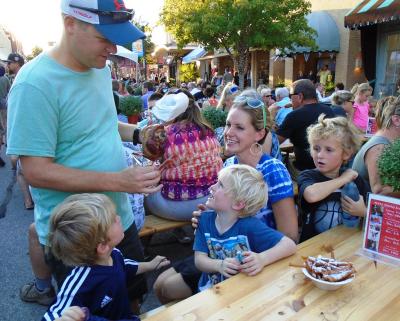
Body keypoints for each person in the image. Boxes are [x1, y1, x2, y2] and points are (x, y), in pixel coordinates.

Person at [7, 0, 160, 311]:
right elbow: (35, 171)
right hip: (78, 237)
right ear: (70, 24)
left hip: (118, 219)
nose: (112, 48)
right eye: (105, 38)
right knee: (92, 313)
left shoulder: (99, 69)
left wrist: (138, 134)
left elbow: (102, 124)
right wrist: (118, 181)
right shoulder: (34, 84)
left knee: (131, 302)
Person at [153, 91, 298, 303]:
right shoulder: (229, 165)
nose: (228, 132)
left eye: (239, 127)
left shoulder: (271, 170)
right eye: (229, 124)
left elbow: (290, 235)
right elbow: (226, 212)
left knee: (167, 288)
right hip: (219, 251)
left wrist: (259, 260)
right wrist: (207, 217)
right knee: (159, 283)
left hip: (250, 260)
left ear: (259, 134)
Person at [42, 193, 170, 321]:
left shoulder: (113, 254)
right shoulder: (80, 281)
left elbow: (124, 266)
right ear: (102, 246)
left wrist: (150, 265)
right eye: (114, 219)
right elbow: (52, 315)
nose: (119, 218)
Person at [194, 165, 296, 291]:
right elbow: (199, 259)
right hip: (210, 290)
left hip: (244, 292)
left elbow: (289, 245)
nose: (212, 187)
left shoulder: (250, 226)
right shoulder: (204, 220)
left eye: (220, 185)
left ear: (237, 204)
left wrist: (261, 259)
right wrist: (218, 265)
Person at [143, 91, 223, 221]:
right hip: (210, 200)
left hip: (176, 205)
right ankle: (181, 234)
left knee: (144, 195)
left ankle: (143, 237)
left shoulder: (165, 135)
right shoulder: (208, 131)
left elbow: (152, 165)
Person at [297, 115, 370, 241]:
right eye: (316, 148)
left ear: (346, 154)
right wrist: (343, 179)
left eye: (329, 150)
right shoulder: (308, 176)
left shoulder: (356, 180)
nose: (320, 155)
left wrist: (364, 212)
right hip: (313, 247)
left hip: (347, 244)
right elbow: (312, 195)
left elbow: (379, 213)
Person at [266, 79, 335, 176]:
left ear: (300, 96)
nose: (290, 100)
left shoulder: (295, 115)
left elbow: (273, 142)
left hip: (305, 170)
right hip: (329, 167)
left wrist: (270, 116)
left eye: (291, 96)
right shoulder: (329, 110)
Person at [352, 96, 400, 197]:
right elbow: (380, 192)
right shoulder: (380, 147)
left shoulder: (387, 143)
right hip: (362, 209)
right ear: (396, 120)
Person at [0, 65, 11, 167]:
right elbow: (9, 90)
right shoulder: (5, 79)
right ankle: (7, 141)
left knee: (1, 123)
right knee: (6, 121)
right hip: (3, 102)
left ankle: (1, 139)